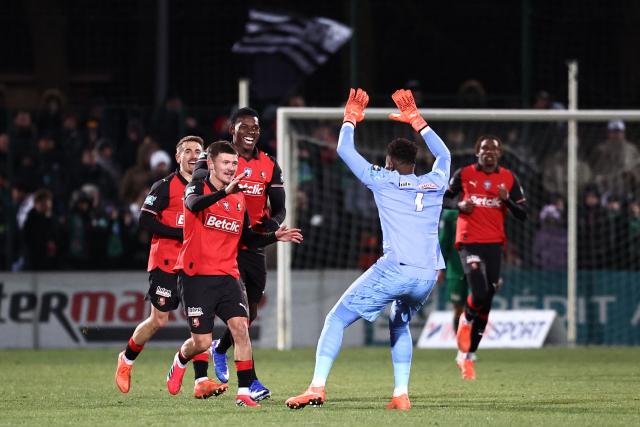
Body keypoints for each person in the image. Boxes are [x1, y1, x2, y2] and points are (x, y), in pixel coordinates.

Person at [286, 88, 450, 411]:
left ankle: (316, 387)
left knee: (335, 319)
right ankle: (401, 394)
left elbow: (344, 149)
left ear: (389, 161)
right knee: (399, 322)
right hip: (427, 274)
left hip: (396, 269)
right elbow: (445, 155)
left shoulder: (383, 179)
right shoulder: (436, 182)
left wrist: (350, 117)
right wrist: (418, 121)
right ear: (415, 162)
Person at [166, 141, 302, 407]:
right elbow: (193, 205)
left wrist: (274, 236)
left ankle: (243, 394)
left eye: (233, 163)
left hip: (228, 274)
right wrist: (224, 192)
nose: (230, 168)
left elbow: (247, 238)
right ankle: (181, 359)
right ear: (212, 164)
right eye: (225, 163)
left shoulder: (239, 199)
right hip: (196, 276)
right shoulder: (197, 186)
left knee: (241, 327)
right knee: (202, 342)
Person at [115, 136, 223, 399]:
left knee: (201, 325)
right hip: (165, 262)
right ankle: (126, 360)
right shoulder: (164, 186)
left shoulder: (207, 189)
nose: (192, 155)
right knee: (158, 320)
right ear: (177, 157)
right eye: (187, 151)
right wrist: (179, 233)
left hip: (195, 264)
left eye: (198, 151)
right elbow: (144, 220)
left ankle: (201, 380)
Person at [210, 107, 286, 402]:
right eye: (245, 127)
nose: (252, 133)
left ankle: (219, 348)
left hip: (254, 245)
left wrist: (274, 226)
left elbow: (279, 207)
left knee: (250, 313)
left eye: (256, 128)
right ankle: (250, 382)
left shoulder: (269, 165)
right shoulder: (222, 160)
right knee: (240, 316)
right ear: (232, 130)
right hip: (226, 245)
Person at [444, 134, 527, 380]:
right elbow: (442, 198)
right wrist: (458, 206)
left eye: (494, 149)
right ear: (476, 151)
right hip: (469, 240)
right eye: (484, 148)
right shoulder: (464, 174)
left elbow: (523, 213)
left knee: (487, 303)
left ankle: (466, 357)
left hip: (494, 244)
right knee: (478, 293)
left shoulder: (509, 178)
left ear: (499, 154)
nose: (488, 152)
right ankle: (466, 320)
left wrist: (507, 200)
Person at [437, 208, 467, 341]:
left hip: (477, 268)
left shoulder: (480, 209)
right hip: (456, 269)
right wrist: (440, 268)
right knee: (458, 308)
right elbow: (443, 242)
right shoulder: (450, 215)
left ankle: (470, 345)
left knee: (474, 307)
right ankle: (461, 346)